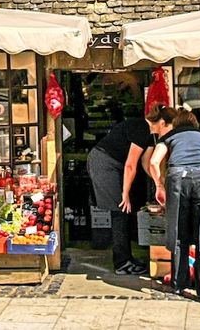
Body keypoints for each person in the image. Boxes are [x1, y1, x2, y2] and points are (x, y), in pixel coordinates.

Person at [148, 106, 200, 304]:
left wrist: (159, 185)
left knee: (178, 230)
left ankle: (179, 284)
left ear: (176, 124)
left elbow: (153, 162)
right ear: (195, 124)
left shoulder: (170, 136)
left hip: (178, 177)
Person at [86, 105, 154, 276]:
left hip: (114, 165)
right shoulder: (142, 128)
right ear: (161, 122)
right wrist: (125, 193)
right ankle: (122, 263)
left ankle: (127, 258)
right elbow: (131, 165)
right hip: (104, 163)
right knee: (121, 210)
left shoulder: (152, 136)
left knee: (124, 211)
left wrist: (159, 183)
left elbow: (146, 164)